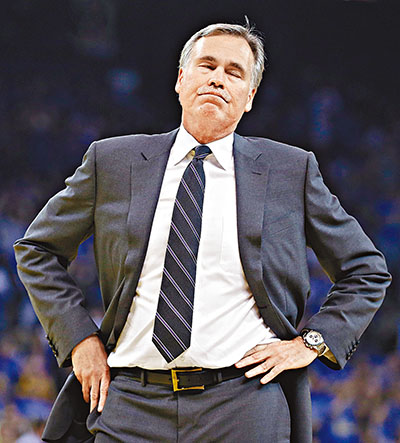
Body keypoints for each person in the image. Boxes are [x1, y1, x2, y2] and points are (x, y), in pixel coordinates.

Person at [14, 22, 391, 443]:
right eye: (207, 65)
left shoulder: (290, 170)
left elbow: (366, 270)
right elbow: (37, 250)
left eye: (234, 72)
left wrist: (312, 342)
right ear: (181, 79)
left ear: (250, 96)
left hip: (244, 403)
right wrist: (79, 339)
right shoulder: (113, 161)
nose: (217, 78)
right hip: (129, 403)